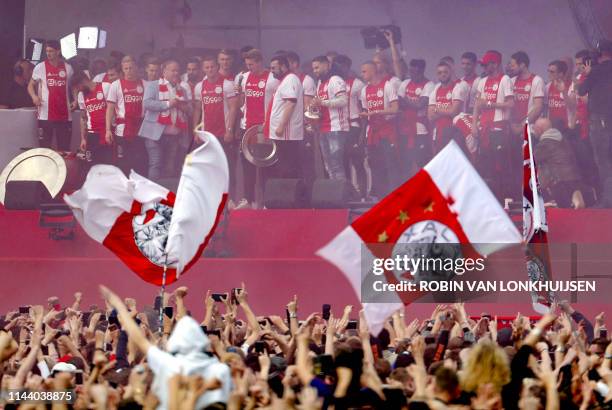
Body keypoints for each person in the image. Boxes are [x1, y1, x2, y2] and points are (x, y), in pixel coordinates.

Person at [236, 49, 280, 207]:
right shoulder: (243, 77)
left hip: (264, 128)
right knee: (247, 165)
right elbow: (241, 101)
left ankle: (266, 201)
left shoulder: (272, 79)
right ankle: (248, 200)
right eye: (247, 64)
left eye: (252, 64)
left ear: (260, 62)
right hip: (246, 128)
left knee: (265, 166)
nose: (249, 68)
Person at [193, 55, 238, 202]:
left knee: (227, 167)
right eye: (207, 67)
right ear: (203, 69)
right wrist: (196, 131)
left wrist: (230, 130)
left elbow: (233, 108)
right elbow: (198, 110)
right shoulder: (200, 86)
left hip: (224, 133)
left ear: (217, 67)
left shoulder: (227, 84)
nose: (210, 70)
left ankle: (231, 199)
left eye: (212, 66)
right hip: (207, 135)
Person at [139, 59, 192, 181]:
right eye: (173, 70)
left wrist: (180, 105)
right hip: (155, 135)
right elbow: (147, 104)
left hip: (174, 136)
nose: (176, 73)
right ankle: (153, 197)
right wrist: (169, 103)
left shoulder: (182, 89)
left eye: (177, 70)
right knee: (155, 165)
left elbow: (189, 110)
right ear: (164, 72)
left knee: (170, 169)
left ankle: (166, 198)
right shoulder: (153, 85)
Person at [471, 50, 514, 200]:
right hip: (484, 127)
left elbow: (510, 103)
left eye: (486, 64)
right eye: (482, 65)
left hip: (499, 127)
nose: (483, 68)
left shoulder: (505, 79)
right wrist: (473, 124)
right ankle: (492, 198)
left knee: (501, 164)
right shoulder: (482, 82)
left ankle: (506, 198)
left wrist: (490, 104)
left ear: (495, 64)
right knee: (486, 164)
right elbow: (477, 104)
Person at [578, 39, 612, 207]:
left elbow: (581, 90)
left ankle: (608, 200)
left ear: (599, 54)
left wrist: (588, 73)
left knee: (603, 161)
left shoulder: (596, 71)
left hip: (600, 122)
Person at [359, 61, 399, 199]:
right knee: (375, 165)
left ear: (372, 71)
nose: (362, 74)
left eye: (364, 71)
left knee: (390, 165)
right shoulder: (364, 90)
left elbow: (395, 109)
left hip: (387, 131)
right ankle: (381, 197)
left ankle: (393, 196)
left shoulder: (387, 86)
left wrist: (376, 112)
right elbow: (366, 110)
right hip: (372, 132)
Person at [28, 40, 74, 151]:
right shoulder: (40, 67)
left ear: (58, 51)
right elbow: (30, 85)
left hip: (64, 115)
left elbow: (74, 86)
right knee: (44, 148)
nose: (48, 54)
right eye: (47, 51)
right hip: (45, 115)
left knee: (64, 149)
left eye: (51, 51)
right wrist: (34, 97)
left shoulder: (68, 68)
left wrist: (76, 99)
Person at [263, 54, 304, 180]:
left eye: (274, 68)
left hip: (286, 133)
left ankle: (288, 197)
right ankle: (286, 196)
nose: (271, 71)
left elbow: (290, 103)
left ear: (284, 67)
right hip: (282, 133)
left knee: (287, 167)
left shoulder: (290, 79)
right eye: (270, 68)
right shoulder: (285, 81)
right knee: (283, 166)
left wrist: (281, 126)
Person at [531, 117, 587, 208]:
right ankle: (574, 196)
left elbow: (530, 162)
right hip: (574, 179)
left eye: (535, 129)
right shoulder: (564, 140)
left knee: (536, 168)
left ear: (540, 130)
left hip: (559, 183)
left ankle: (549, 201)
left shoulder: (544, 144)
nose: (534, 131)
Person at [311, 55, 350, 183]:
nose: (315, 71)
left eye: (317, 67)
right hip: (324, 128)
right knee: (328, 166)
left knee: (336, 164)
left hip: (336, 127)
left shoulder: (335, 80)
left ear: (327, 65)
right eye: (313, 68)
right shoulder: (320, 83)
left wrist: (322, 102)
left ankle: (342, 195)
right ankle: (335, 194)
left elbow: (344, 100)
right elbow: (321, 104)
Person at [106, 56, 147, 176]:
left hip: (141, 129)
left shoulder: (145, 84)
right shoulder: (116, 85)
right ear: (123, 70)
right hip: (122, 130)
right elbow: (109, 109)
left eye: (131, 68)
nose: (129, 71)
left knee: (139, 162)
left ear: (136, 68)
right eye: (126, 68)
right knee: (124, 162)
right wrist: (108, 130)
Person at [335, 54, 368, 200]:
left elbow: (364, 110)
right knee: (343, 162)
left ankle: (363, 194)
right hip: (340, 128)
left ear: (346, 66)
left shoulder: (357, 84)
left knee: (357, 162)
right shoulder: (335, 83)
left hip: (354, 127)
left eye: (339, 66)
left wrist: (362, 133)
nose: (336, 69)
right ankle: (348, 193)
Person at [398, 59, 435, 176]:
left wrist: (406, 100)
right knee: (405, 163)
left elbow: (421, 105)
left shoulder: (429, 85)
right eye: (411, 71)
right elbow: (398, 102)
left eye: (415, 72)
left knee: (422, 162)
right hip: (405, 128)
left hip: (421, 129)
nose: (413, 74)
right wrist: (411, 103)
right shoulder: (405, 83)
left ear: (422, 70)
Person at [72, 71, 113, 166]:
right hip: (92, 135)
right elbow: (83, 118)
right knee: (92, 165)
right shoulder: (81, 95)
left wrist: (109, 130)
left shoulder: (106, 87)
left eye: (78, 87)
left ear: (83, 81)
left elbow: (113, 110)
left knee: (108, 165)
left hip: (108, 133)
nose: (78, 90)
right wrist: (83, 138)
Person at [428, 62, 469, 153]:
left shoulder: (457, 88)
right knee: (440, 163)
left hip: (455, 133)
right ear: (437, 75)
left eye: (445, 72)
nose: (443, 75)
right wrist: (447, 110)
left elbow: (454, 112)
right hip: (439, 134)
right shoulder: (435, 90)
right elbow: (430, 116)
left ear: (450, 72)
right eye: (440, 73)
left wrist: (437, 110)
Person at [545, 60, 572, 130]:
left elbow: (572, 107)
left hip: (567, 127)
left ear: (561, 74)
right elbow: (545, 107)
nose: (549, 74)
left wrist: (564, 92)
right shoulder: (548, 86)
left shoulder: (571, 85)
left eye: (552, 72)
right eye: (548, 71)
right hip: (552, 127)